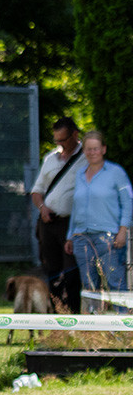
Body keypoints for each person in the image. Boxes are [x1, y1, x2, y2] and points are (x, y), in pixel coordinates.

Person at [65, 130, 133, 311]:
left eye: (95, 148)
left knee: (116, 283)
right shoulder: (79, 174)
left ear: (103, 149)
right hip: (82, 238)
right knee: (88, 287)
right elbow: (76, 207)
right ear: (84, 151)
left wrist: (123, 230)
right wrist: (70, 236)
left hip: (109, 238)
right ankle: (93, 331)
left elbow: (128, 202)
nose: (92, 152)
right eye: (88, 149)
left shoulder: (116, 172)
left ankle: (124, 329)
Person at [30, 117, 86, 313]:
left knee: (71, 273)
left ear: (75, 135)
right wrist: (42, 208)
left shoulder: (86, 159)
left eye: (64, 140)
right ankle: (55, 316)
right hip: (49, 222)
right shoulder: (50, 158)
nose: (60, 145)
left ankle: (73, 316)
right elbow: (36, 191)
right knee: (52, 272)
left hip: (72, 223)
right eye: (57, 141)